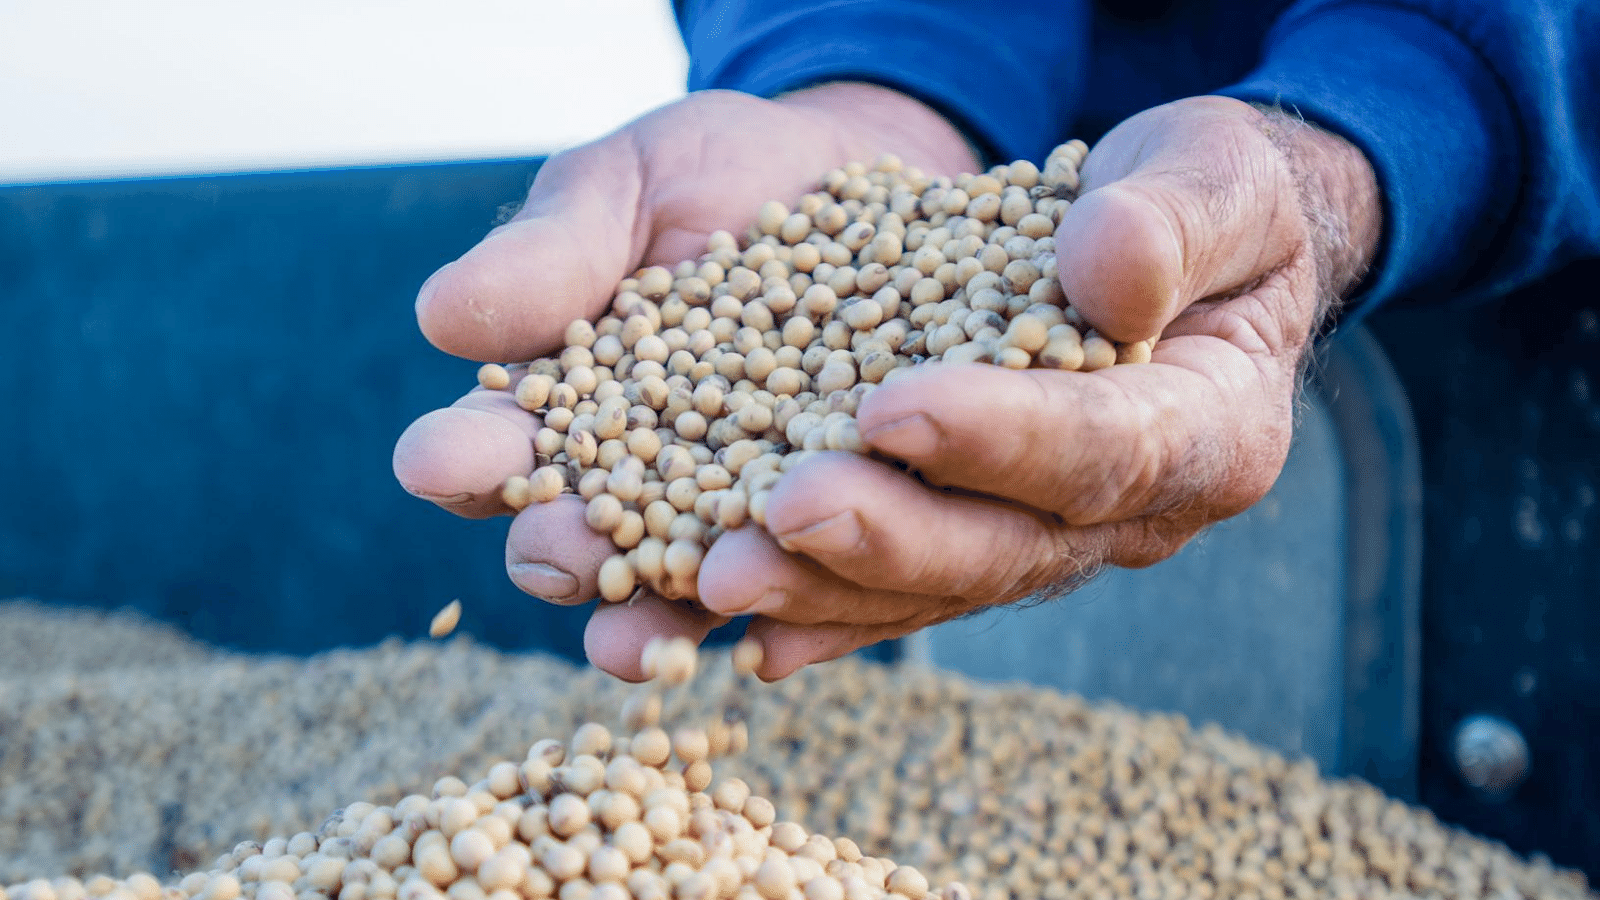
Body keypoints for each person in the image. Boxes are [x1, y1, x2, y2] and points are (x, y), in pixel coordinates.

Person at [393, 0, 1598, 684]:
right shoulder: (774, 313)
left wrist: (1385, 127)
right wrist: (868, 78)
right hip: (1020, 206)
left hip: (1500, 229)